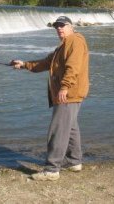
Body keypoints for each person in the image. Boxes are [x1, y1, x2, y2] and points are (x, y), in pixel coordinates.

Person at [12, 16, 89, 181]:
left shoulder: (74, 41)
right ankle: (75, 161)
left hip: (68, 93)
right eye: (57, 27)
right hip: (70, 93)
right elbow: (46, 63)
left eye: (62, 25)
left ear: (71, 27)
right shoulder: (62, 46)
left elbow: (73, 66)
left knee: (58, 130)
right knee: (71, 128)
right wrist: (24, 64)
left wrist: (65, 86)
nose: (59, 29)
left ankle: (52, 169)